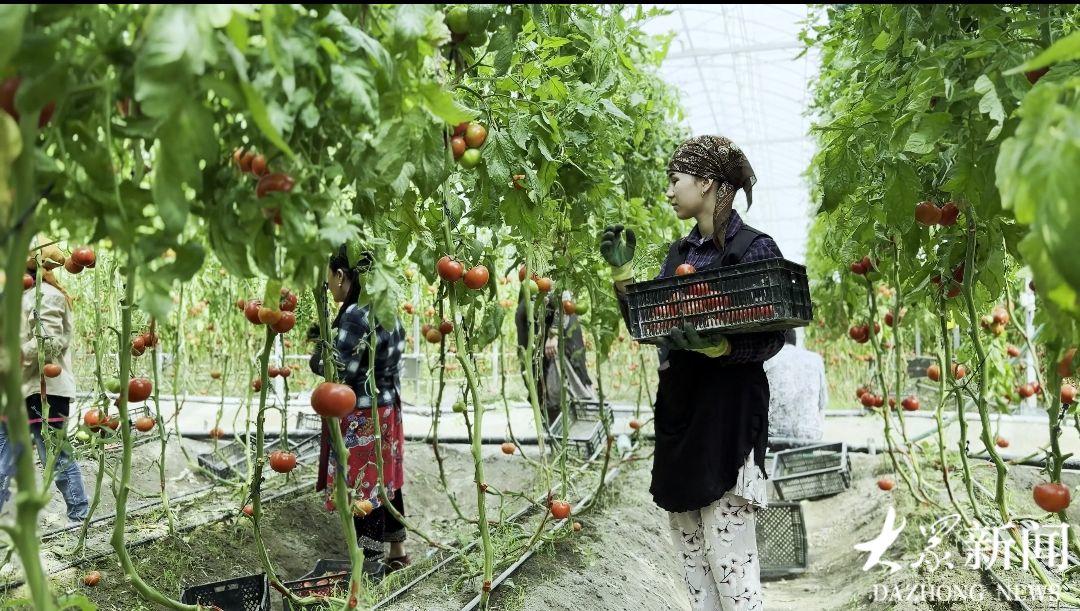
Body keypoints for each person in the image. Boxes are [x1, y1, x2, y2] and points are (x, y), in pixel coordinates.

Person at [602, 135, 784, 611]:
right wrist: (623, 280)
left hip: (730, 421)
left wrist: (722, 345)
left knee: (732, 567)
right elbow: (650, 326)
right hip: (682, 417)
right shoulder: (678, 254)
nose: (668, 191)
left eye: (674, 180)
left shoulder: (755, 249)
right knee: (694, 566)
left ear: (705, 183)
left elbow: (773, 337)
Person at [309, 245, 408, 579]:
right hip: (388, 409)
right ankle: (397, 552)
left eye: (330, 277)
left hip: (363, 415)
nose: (328, 285)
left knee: (364, 490)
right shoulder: (385, 306)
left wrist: (318, 351)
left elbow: (338, 369)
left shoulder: (355, 315)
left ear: (341, 275)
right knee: (386, 481)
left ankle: (369, 565)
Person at [0, 244, 89, 527]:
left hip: (44, 391)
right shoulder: (19, 298)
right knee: (4, 452)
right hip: (19, 390)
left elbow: (49, 344)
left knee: (55, 454)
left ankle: (79, 513)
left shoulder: (46, 297)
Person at [514, 289, 594, 425]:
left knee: (573, 385)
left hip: (559, 339)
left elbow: (564, 300)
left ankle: (581, 432)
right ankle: (555, 438)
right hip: (536, 343)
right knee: (542, 392)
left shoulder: (551, 272)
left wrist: (554, 333)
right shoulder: (530, 275)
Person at [764, 330, 828, 442]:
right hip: (810, 436)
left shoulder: (767, 360)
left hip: (774, 437)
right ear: (795, 340)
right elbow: (822, 404)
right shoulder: (815, 359)